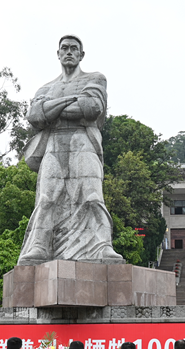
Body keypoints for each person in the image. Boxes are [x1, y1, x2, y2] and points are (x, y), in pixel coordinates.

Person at [17, 35, 124, 265]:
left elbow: (92, 108)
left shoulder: (95, 79)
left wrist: (52, 109)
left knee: (93, 196)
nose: (69, 52)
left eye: (74, 49)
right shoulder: (45, 87)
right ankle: (39, 246)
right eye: (64, 48)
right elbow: (36, 116)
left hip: (82, 141)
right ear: (57, 53)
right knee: (46, 199)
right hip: (53, 144)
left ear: (81, 55)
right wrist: (72, 100)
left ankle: (102, 246)